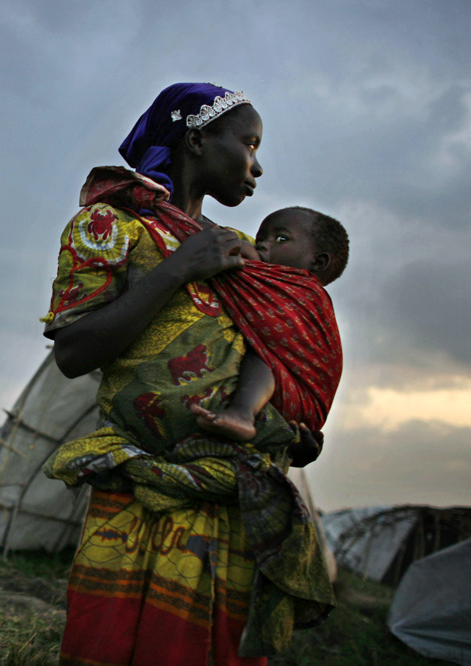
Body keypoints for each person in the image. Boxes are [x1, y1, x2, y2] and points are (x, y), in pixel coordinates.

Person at [42, 83, 336, 665]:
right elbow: (73, 352)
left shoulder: (246, 253)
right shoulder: (111, 225)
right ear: (198, 140)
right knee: (109, 644)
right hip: (138, 486)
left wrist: (291, 425)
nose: (258, 164)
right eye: (249, 144)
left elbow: (291, 349)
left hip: (233, 494)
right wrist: (178, 269)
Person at [191, 207, 350, 442]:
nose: (263, 245)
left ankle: (242, 413)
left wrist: (238, 246)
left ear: (317, 261)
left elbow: (224, 247)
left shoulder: (307, 292)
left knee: (264, 355)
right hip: (302, 422)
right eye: (261, 239)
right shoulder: (269, 283)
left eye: (281, 239)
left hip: (299, 399)